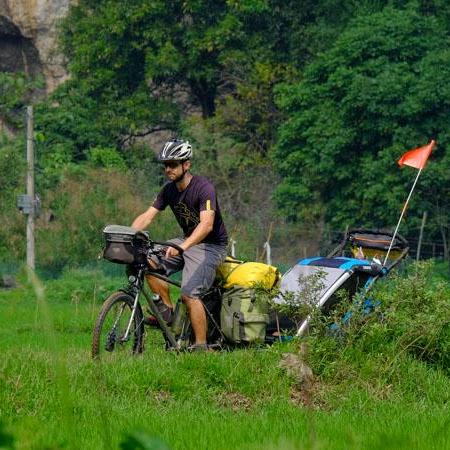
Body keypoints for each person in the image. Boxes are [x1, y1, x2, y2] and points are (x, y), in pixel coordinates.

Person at [131, 138, 228, 351]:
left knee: (189, 293)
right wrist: (129, 235)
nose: (168, 169)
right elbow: (147, 216)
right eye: (165, 165)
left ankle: (201, 347)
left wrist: (182, 247)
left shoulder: (204, 188)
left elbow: (206, 225)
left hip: (211, 246)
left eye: (173, 164)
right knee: (146, 259)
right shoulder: (168, 191)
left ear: (186, 164)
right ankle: (166, 312)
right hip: (187, 242)